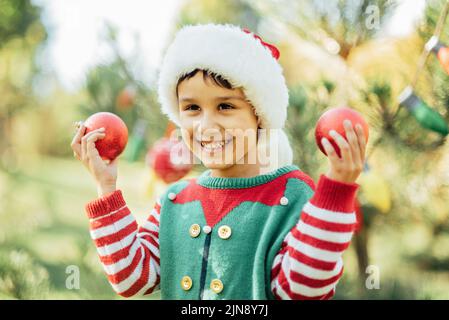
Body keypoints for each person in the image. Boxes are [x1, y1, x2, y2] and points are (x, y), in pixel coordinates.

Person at [71, 24, 367, 300]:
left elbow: (302, 290)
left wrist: (337, 189)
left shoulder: (292, 196)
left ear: (260, 116)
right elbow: (130, 278)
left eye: (225, 106)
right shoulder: (174, 201)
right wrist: (106, 187)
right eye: (192, 108)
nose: (206, 124)